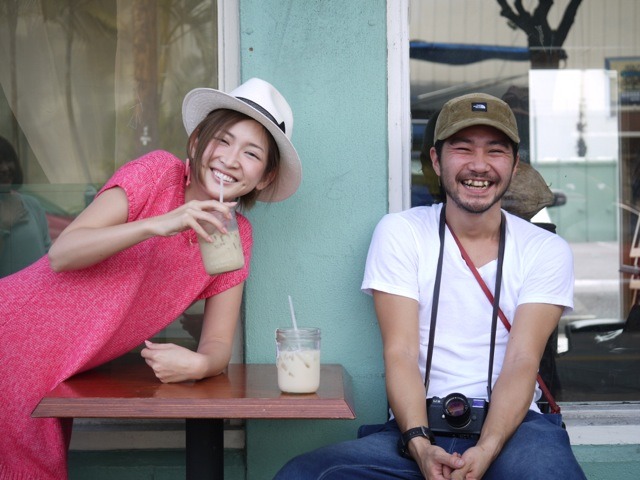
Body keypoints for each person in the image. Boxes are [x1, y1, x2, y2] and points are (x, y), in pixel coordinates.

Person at [0, 77, 301, 479]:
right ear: (196, 142)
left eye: (251, 153)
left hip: (59, 367)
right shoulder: (158, 174)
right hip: (12, 334)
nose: (231, 159)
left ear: (264, 176)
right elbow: (63, 253)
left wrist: (199, 365)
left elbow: (217, 343)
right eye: (223, 141)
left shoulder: (236, 235)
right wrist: (160, 224)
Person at [274, 93, 586, 479]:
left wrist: (487, 449)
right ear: (437, 161)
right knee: (304, 474)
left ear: (514, 165)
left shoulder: (545, 249)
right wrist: (420, 446)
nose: (479, 165)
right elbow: (401, 352)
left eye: (495, 150)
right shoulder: (402, 233)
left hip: (514, 428)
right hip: (417, 424)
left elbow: (523, 360)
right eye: (463, 148)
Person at [0, 136, 52, 277]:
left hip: (37, 288)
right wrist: (4, 227)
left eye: (8, 160)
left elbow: (47, 253)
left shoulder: (31, 204)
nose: (5, 168)